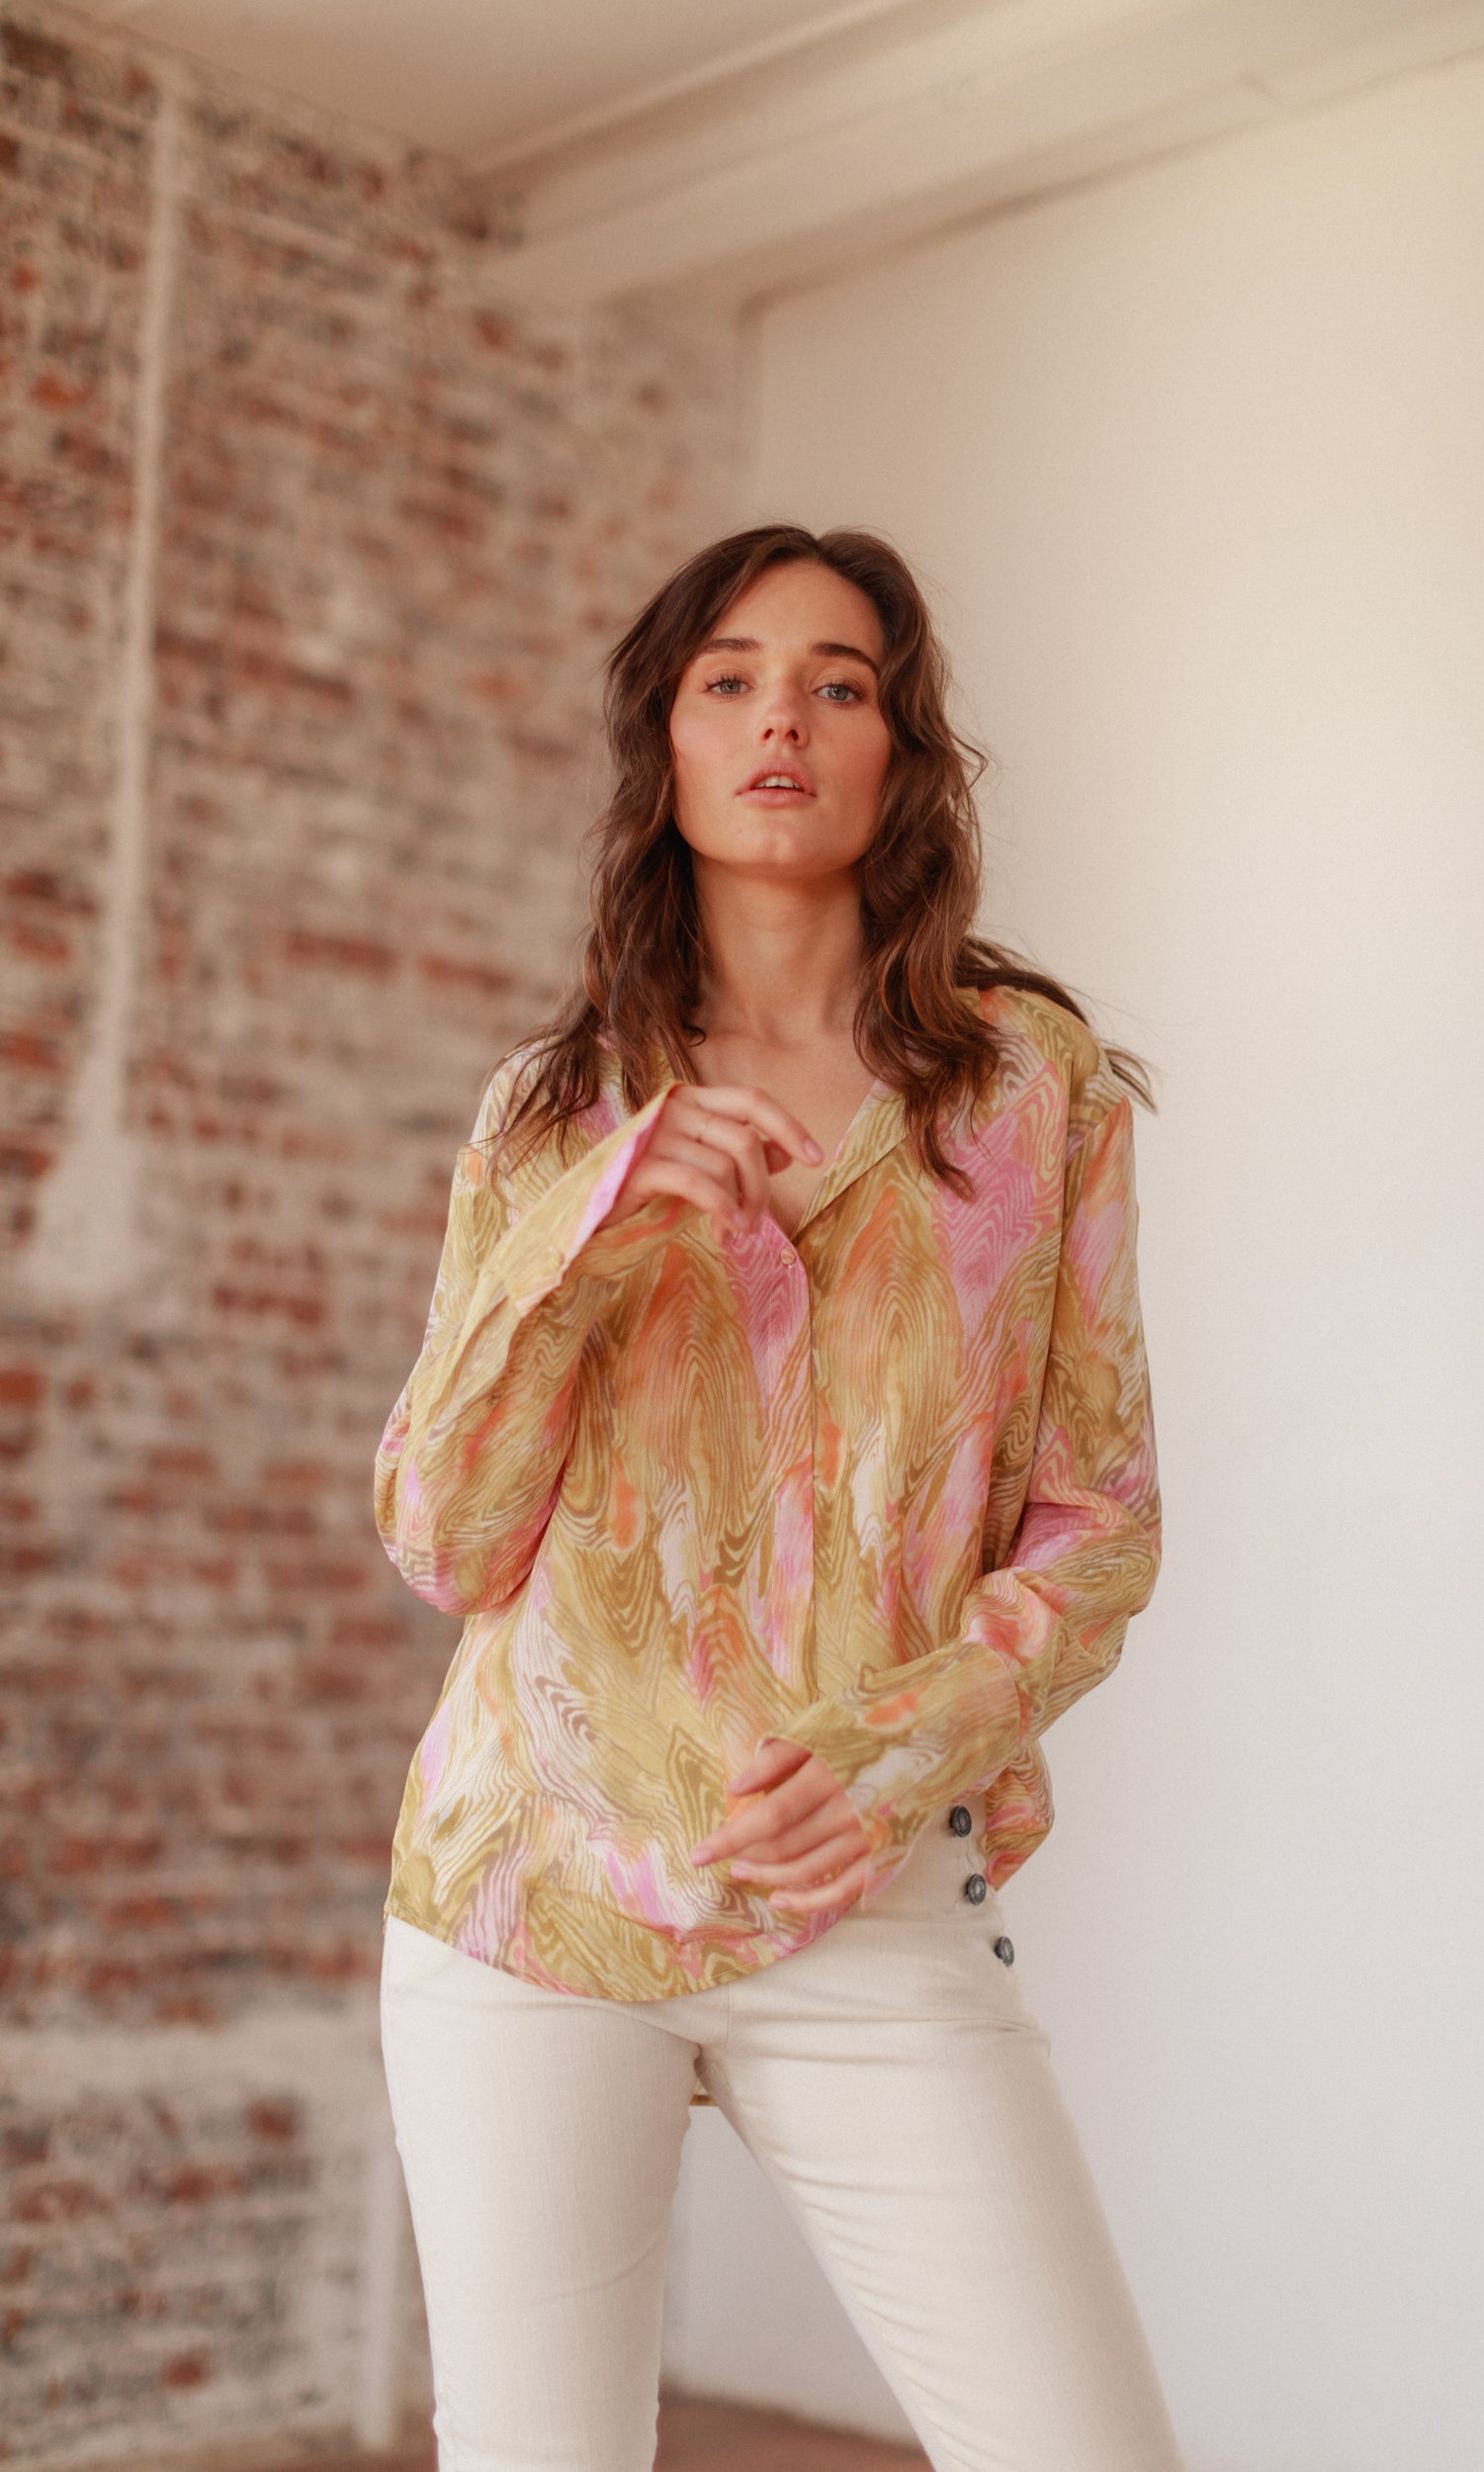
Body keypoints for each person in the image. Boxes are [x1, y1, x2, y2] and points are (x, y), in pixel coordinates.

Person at [374, 523, 1184, 2472]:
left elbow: (1098, 1516)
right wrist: (584, 1243)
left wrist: (914, 1740)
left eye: (841, 681)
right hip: (530, 1899)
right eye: (728, 677)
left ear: (903, 753)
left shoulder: (1031, 1089)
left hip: (861, 1876)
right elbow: (446, 1540)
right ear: (666, 743)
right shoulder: (548, 1116)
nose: (782, 718)